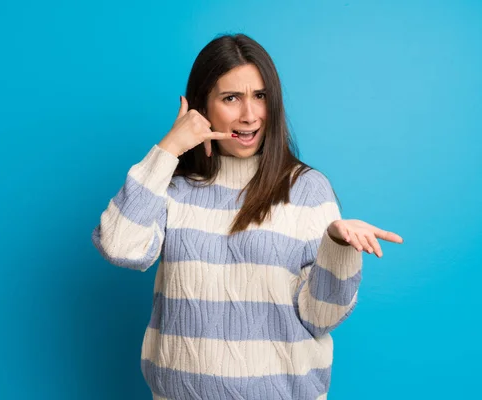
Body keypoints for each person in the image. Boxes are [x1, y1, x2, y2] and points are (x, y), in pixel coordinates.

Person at [91, 33, 403, 400]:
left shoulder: (306, 190)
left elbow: (322, 318)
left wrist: (336, 247)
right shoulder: (172, 188)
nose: (250, 115)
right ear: (201, 107)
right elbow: (119, 246)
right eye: (230, 98)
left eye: (260, 96)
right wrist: (170, 147)